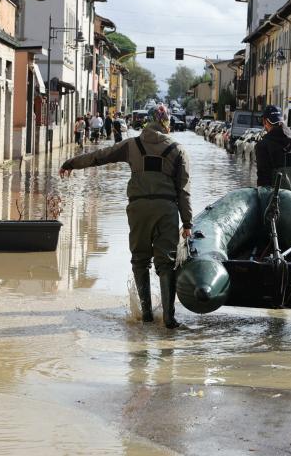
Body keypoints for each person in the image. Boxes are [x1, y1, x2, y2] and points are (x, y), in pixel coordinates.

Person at [59, 104, 192, 329]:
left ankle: (146, 316)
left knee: (140, 261)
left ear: (147, 122)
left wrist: (71, 163)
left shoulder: (132, 145)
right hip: (166, 210)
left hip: (138, 209)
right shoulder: (178, 149)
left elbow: (99, 157)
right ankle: (169, 319)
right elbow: (184, 190)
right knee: (166, 263)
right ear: (166, 122)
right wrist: (187, 222)